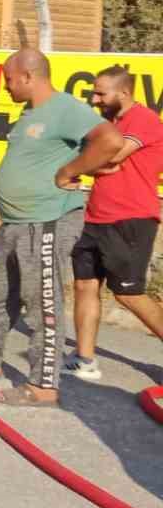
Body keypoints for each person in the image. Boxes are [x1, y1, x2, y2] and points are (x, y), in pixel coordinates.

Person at [0, 49, 122, 407]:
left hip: (47, 219)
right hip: (15, 221)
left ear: (28, 76)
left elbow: (111, 142)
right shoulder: (31, 112)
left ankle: (43, 385)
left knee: (41, 302)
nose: (6, 86)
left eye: (9, 79)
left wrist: (70, 172)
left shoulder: (66, 108)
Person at [68, 67, 163, 381]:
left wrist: (89, 163)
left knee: (129, 294)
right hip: (95, 216)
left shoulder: (144, 120)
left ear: (123, 92)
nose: (94, 99)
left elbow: (112, 158)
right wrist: (90, 163)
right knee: (85, 285)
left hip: (131, 219)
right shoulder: (109, 124)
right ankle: (84, 359)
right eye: (94, 93)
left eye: (101, 93)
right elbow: (93, 161)